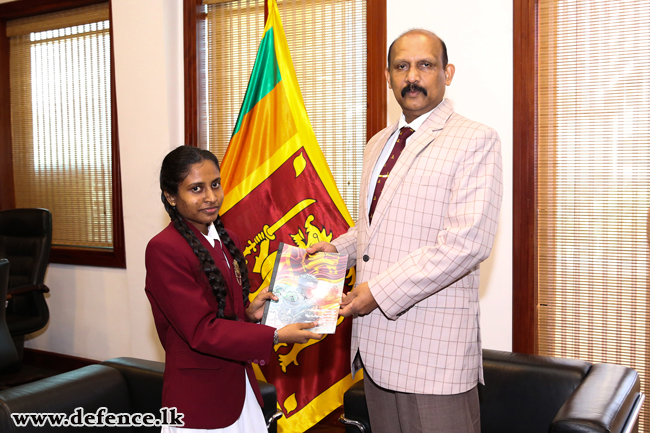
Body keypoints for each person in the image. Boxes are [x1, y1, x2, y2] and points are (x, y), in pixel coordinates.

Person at [308, 29, 503, 433]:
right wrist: (336, 251)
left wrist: (377, 292)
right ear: (388, 76)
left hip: (435, 357)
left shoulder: (475, 139)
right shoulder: (378, 142)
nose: (412, 76)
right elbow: (373, 228)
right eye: (402, 66)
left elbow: (466, 244)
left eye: (425, 65)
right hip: (377, 351)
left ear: (447, 73)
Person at [145, 146, 321, 432]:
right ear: (170, 197)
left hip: (239, 386)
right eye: (196, 189)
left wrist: (249, 313)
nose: (211, 197)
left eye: (215, 184)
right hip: (200, 398)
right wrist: (274, 335)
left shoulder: (229, 239)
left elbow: (222, 312)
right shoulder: (164, 249)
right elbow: (201, 330)